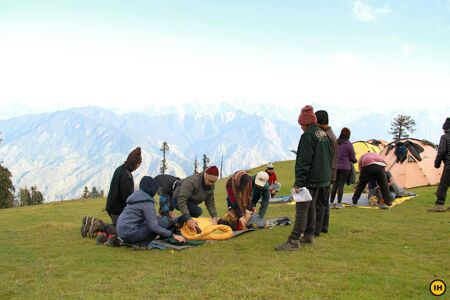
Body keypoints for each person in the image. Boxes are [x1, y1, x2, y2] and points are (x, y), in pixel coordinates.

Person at [275, 105, 331, 251]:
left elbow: (304, 161)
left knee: (301, 209)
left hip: (310, 179)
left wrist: (299, 182)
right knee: (311, 206)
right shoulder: (321, 133)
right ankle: (309, 234)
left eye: (301, 124)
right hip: (322, 178)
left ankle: (293, 240)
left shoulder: (308, 136)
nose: (301, 127)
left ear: (305, 123)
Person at [116, 176, 186, 245]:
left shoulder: (136, 197)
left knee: (158, 220)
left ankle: (138, 242)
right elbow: (153, 227)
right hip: (131, 235)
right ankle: (140, 243)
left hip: (122, 233)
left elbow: (147, 218)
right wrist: (173, 235)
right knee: (163, 222)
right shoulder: (146, 202)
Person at [172, 166, 220, 232]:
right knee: (197, 211)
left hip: (190, 201)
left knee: (196, 212)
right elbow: (182, 200)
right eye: (209, 181)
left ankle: (183, 224)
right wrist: (188, 218)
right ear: (205, 177)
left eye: (213, 182)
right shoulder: (192, 182)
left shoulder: (211, 186)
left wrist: (214, 216)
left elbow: (210, 202)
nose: (210, 184)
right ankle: (175, 222)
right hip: (178, 199)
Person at [105, 147, 142, 225]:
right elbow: (128, 198)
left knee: (118, 227)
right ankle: (98, 225)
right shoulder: (126, 176)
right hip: (117, 210)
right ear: (134, 163)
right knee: (124, 231)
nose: (138, 166)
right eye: (138, 164)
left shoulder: (120, 169)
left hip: (111, 206)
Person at [314, 110, 337, 236]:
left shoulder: (325, 136)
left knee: (320, 202)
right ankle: (324, 226)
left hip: (327, 173)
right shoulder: (331, 134)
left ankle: (316, 228)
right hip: (331, 173)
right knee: (324, 202)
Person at [330, 127, 357, 209]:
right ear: (348, 135)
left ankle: (331, 202)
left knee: (334, 185)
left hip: (335, 167)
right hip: (345, 168)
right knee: (341, 185)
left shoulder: (336, 143)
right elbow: (353, 158)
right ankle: (338, 203)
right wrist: (355, 160)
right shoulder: (349, 144)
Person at [428, 117, 450, 212]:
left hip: (449, 166)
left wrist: (437, 163)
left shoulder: (444, 137)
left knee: (443, 185)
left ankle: (439, 205)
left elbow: (441, 152)